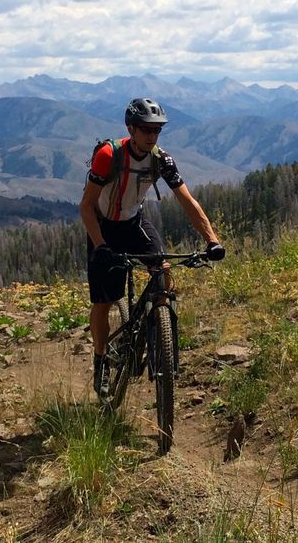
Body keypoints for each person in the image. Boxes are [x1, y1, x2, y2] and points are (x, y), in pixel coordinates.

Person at [80, 97, 226, 397]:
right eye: (146, 129)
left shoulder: (161, 160)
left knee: (163, 272)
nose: (152, 136)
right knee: (104, 302)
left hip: (134, 223)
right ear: (131, 129)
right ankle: (101, 361)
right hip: (103, 226)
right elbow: (86, 206)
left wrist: (212, 240)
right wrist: (100, 245)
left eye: (157, 130)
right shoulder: (109, 155)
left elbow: (188, 201)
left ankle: (160, 332)